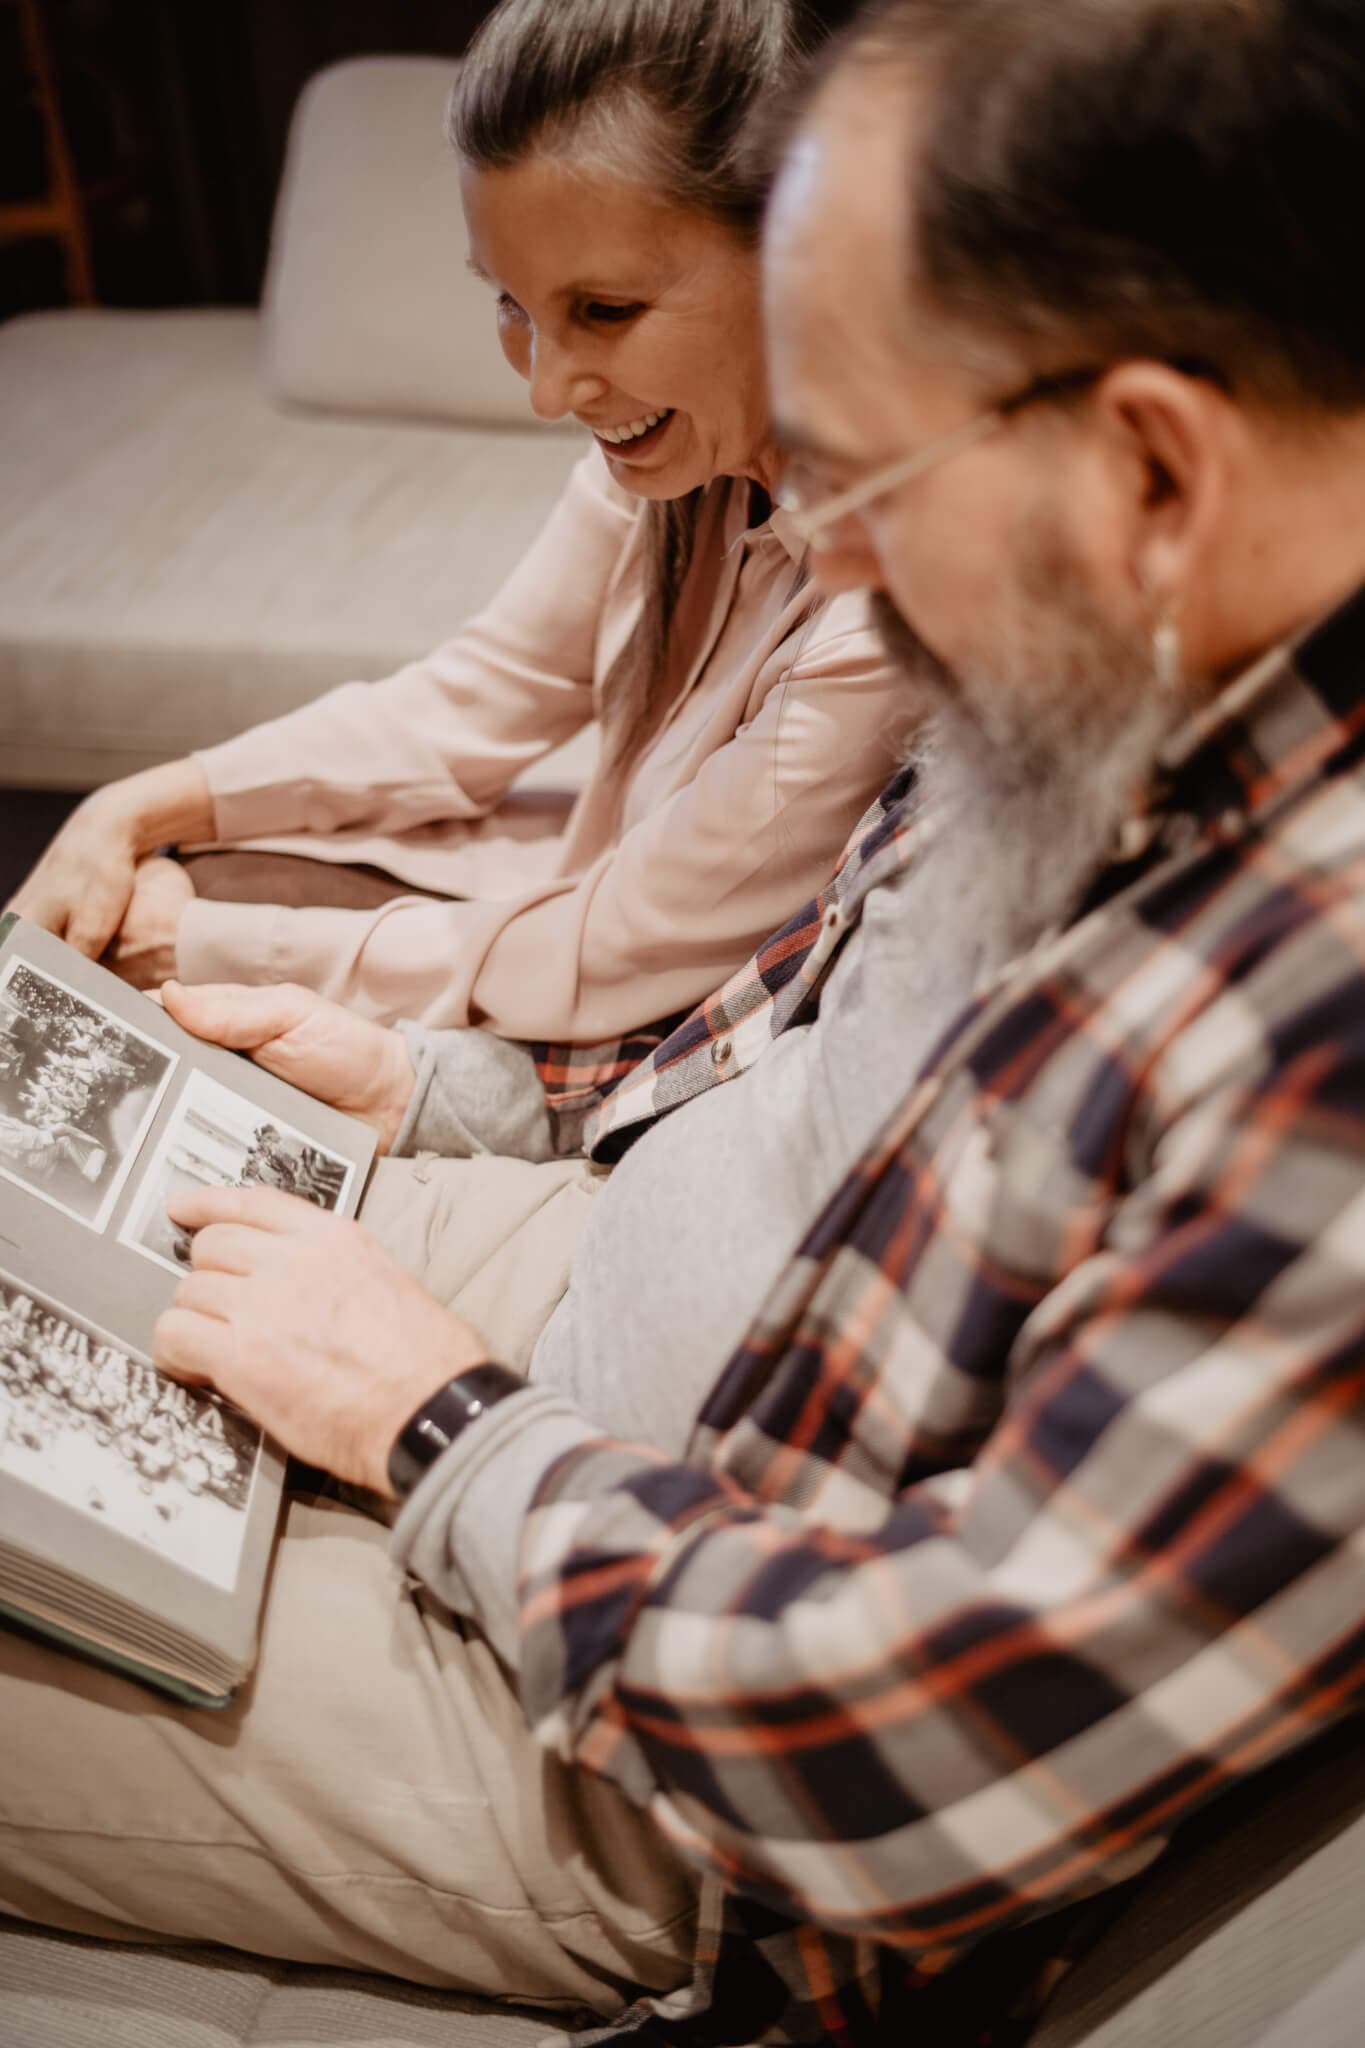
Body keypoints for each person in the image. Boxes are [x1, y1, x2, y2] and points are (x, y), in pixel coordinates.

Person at [5, 2, 1365, 2044]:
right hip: (576, 1302)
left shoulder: (1320, 1034)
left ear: (1152, 463)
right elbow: (803, 1034)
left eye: (842, 472)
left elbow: (905, 1762)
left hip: (611, 1709)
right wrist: (446, 1089)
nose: (815, 559)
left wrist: (436, 1424)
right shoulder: (1122, 664)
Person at [6, 0, 908, 1040]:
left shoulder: (884, 602)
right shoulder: (681, 460)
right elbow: (474, 703)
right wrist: (133, 803)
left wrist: (199, 942)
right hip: (563, 928)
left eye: (604, 311)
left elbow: (608, 953)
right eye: (513, 305)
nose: (550, 390)